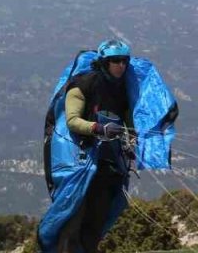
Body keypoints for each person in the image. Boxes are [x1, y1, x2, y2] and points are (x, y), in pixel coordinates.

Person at [56, 40, 136, 253]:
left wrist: (131, 143)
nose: (121, 65)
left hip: (110, 166)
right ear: (104, 63)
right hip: (81, 163)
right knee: (74, 220)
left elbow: (130, 125)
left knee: (97, 221)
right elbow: (72, 120)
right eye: (115, 61)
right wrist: (99, 128)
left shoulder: (123, 90)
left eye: (124, 61)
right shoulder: (82, 85)